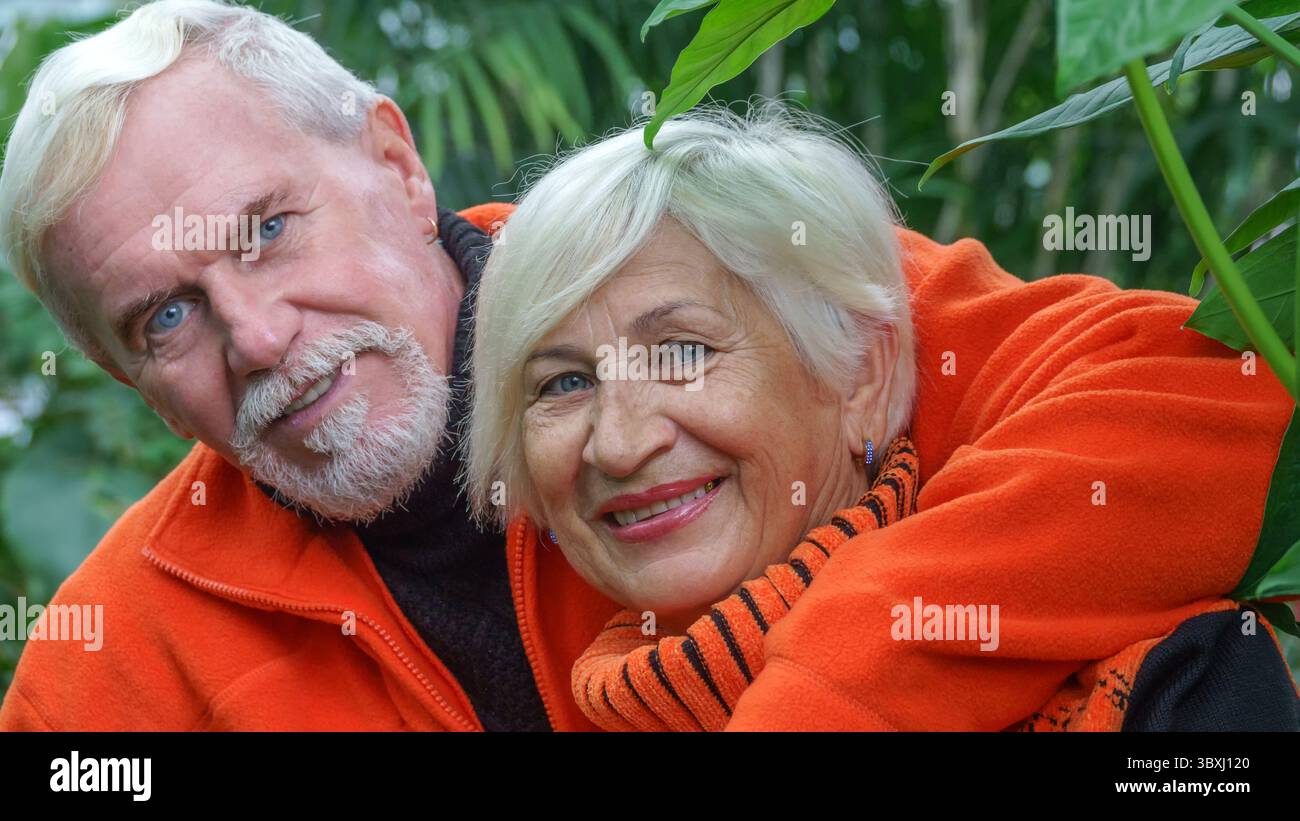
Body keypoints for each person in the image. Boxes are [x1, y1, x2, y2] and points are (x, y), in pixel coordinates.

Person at [465, 105, 1300, 731]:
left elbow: (1224, 376)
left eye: (682, 352)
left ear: (862, 372)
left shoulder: (1173, 687)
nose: (618, 439)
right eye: (563, 384)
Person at [0, 0, 548, 731]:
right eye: (167, 316)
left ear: (400, 170)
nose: (256, 339)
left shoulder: (708, 346)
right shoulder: (109, 673)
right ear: (135, 386)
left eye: (266, 230)